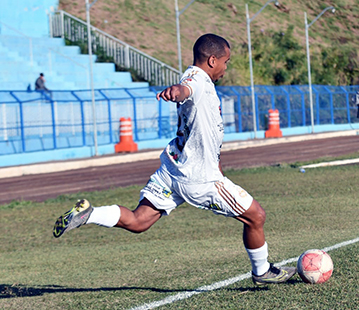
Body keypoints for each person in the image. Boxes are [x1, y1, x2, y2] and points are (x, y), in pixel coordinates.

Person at [52, 33, 296, 286]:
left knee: (139, 221)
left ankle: (89, 214)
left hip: (173, 171)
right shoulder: (197, 80)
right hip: (198, 178)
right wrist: (176, 91)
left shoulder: (198, 79)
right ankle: (262, 271)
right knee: (256, 216)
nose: (226, 67)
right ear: (212, 60)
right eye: (226, 61)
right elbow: (186, 89)